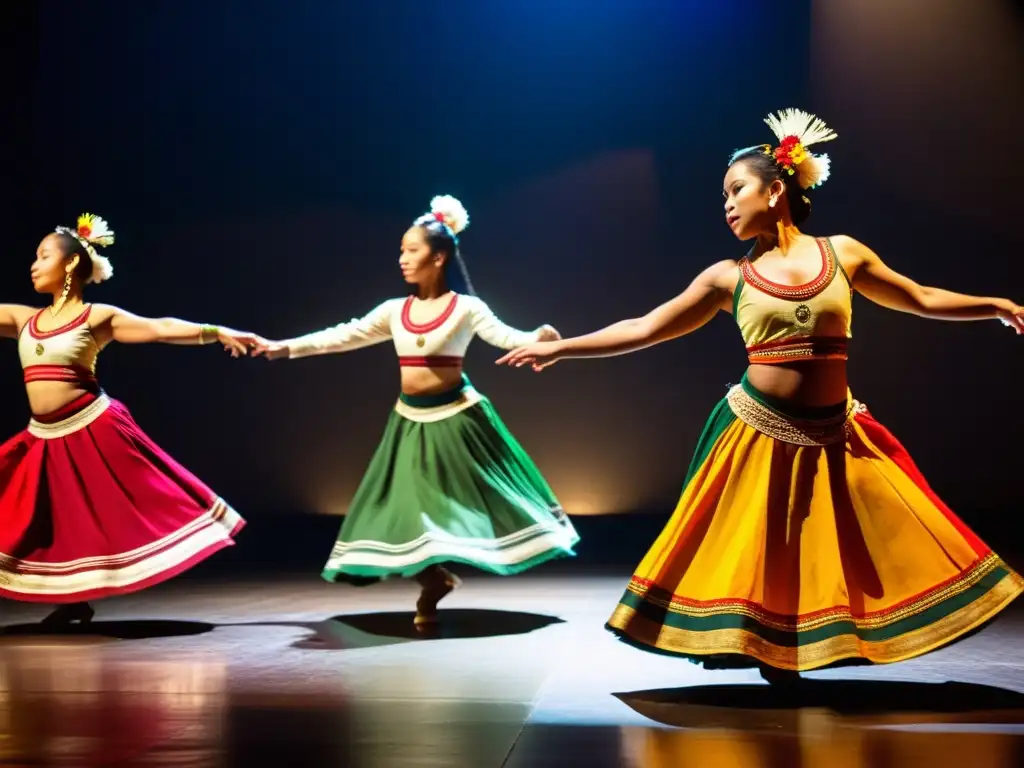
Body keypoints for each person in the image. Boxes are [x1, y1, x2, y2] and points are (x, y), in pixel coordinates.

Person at [498, 109, 1024, 681]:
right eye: (723, 195)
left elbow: (920, 297)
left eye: (736, 190)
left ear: (776, 189)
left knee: (851, 545)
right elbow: (646, 327)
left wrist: (994, 305)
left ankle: (807, 647)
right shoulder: (728, 278)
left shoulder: (843, 254)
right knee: (763, 553)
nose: (726, 204)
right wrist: (563, 347)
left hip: (834, 431)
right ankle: (770, 652)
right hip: (759, 431)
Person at [252, 196, 579, 630]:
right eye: (402, 250)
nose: (402, 258)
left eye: (412, 249)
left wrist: (541, 338)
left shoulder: (467, 308)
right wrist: (285, 347)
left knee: (460, 509)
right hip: (410, 423)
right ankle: (434, 580)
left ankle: (440, 576)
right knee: (399, 514)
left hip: (460, 422)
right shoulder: (394, 311)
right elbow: (342, 335)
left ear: (439, 256)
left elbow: (507, 337)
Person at [0, 214, 258, 625]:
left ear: (69, 265)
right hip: (44, 436)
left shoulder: (95, 317)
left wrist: (216, 330)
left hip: (90, 427)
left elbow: (160, 328)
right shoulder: (21, 319)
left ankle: (85, 593)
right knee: (46, 517)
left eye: (43, 255)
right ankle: (73, 600)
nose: (33, 264)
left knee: (115, 507)